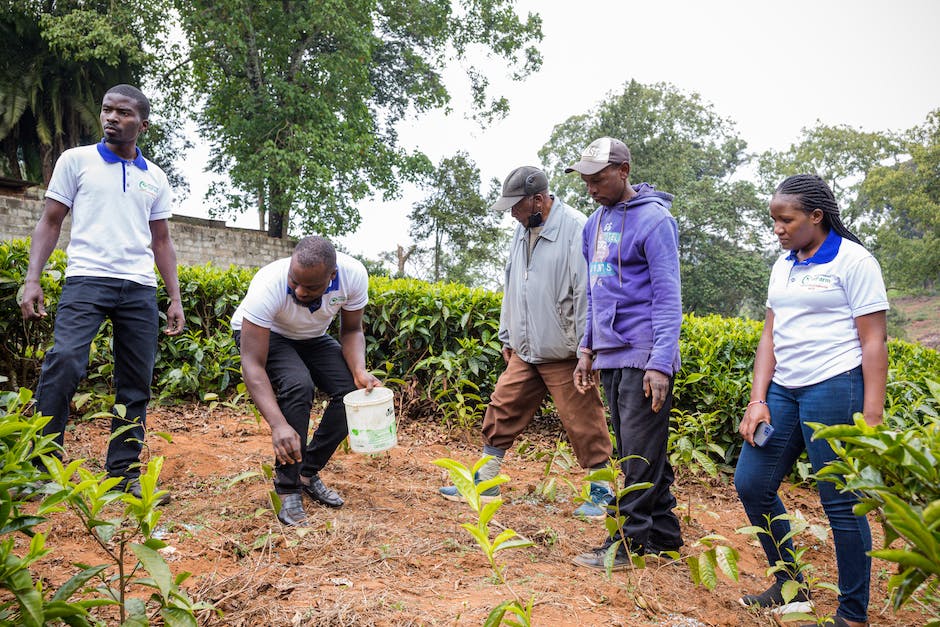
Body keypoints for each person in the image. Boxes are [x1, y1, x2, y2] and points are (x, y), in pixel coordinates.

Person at [734, 174, 888, 627]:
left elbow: (875, 341)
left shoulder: (855, 261)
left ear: (816, 216)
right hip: (784, 388)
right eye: (774, 220)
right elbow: (770, 334)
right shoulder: (783, 264)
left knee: (839, 499)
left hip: (835, 385)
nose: (778, 228)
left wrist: (872, 416)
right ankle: (792, 587)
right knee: (751, 483)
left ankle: (852, 612)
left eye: (786, 219)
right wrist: (757, 398)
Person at [20, 84, 184, 503]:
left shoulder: (156, 177)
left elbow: (162, 241)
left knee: (135, 383)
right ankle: (42, 469)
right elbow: (50, 221)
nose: (112, 117)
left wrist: (174, 298)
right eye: (107, 110)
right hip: (88, 279)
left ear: (142, 124)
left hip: (139, 289)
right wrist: (32, 278)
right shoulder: (76, 161)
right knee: (65, 362)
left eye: (123, 113)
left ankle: (123, 475)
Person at [437, 166, 614, 518]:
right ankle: (486, 480)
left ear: (538, 199)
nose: (513, 215)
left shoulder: (577, 228)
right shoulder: (523, 229)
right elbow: (513, 282)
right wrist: (508, 333)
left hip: (566, 350)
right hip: (527, 346)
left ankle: (602, 491)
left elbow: (588, 292)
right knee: (503, 406)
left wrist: (587, 348)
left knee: (584, 420)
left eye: (516, 207)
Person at [567, 137, 684, 568]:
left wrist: (659, 363)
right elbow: (594, 294)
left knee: (637, 453)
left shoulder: (655, 222)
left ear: (624, 171)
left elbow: (669, 299)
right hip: (610, 354)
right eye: (585, 181)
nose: (591, 188)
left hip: (643, 353)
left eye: (598, 179)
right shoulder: (593, 224)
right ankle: (664, 534)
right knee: (641, 447)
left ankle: (628, 543)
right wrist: (586, 347)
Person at [232, 235, 381, 526]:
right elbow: (252, 364)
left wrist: (360, 370)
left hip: (311, 337)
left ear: (332, 276)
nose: (299, 291)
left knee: (352, 392)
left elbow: (351, 331)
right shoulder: (269, 284)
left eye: (311, 287)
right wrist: (278, 425)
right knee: (298, 385)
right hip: (268, 334)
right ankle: (287, 489)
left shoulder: (353, 276)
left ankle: (306, 473)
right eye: (294, 281)